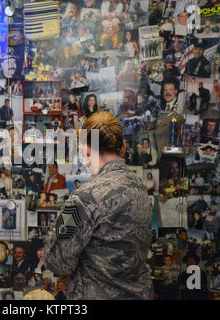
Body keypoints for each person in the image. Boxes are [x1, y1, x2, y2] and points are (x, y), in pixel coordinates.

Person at [44, 111, 152, 299]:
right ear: (124, 148)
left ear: (86, 150)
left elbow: (57, 262)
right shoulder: (140, 189)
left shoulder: (84, 198)